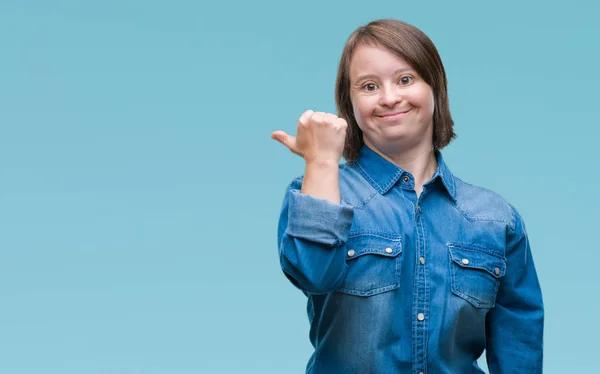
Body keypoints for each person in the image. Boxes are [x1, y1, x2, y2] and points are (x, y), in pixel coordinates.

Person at [271, 19, 543, 374]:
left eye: (405, 79)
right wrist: (322, 162)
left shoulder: (496, 219)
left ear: (435, 88)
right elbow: (313, 275)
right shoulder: (317, 192)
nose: (388, 97)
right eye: (369, 86)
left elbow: (519, 348)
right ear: (348, 105)